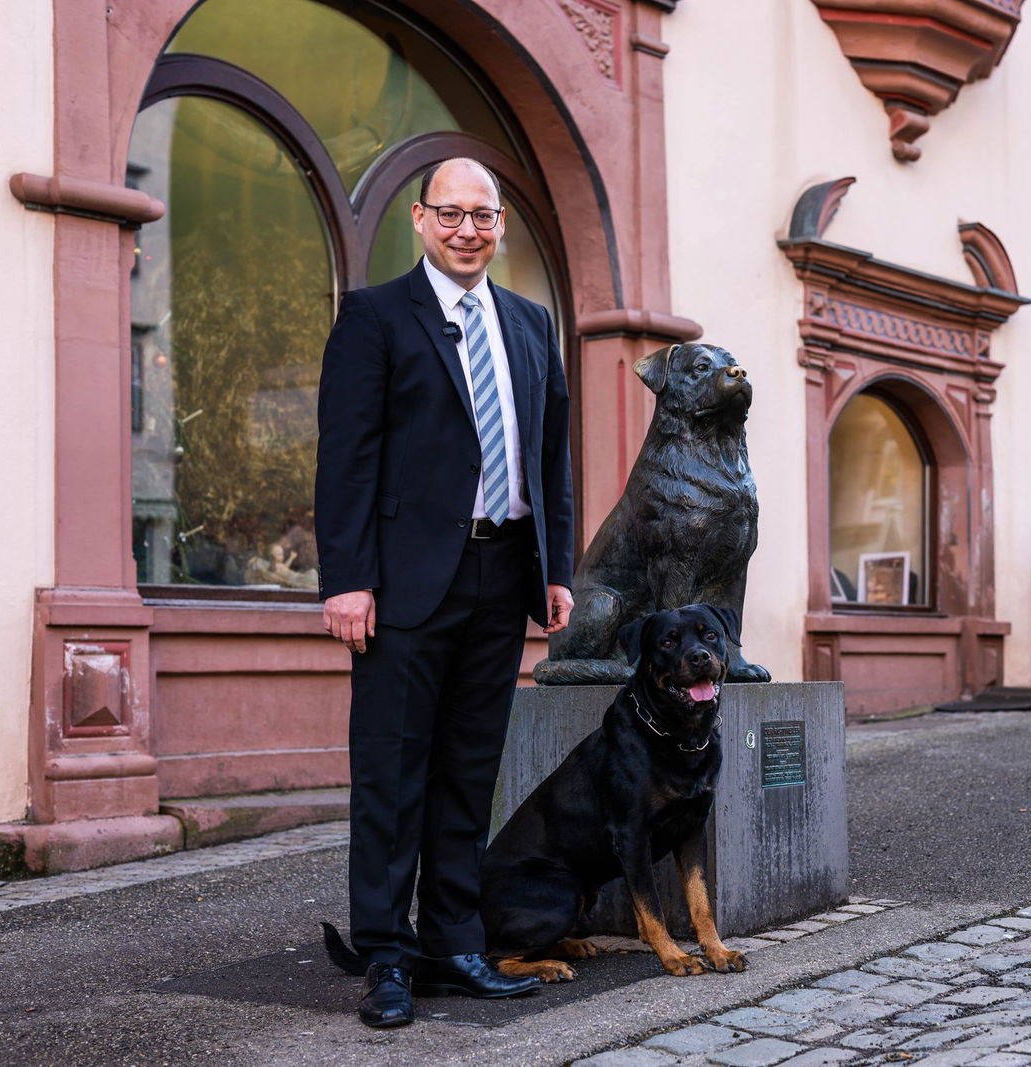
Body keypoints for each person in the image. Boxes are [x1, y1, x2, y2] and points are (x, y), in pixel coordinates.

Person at [314, 157, 575, 1028]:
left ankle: (453, 943)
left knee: (468, 770)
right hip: (402, 582)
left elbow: (550, 459)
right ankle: (387, 954)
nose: (469, 229)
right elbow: (346, 460)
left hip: (502, 575)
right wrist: (347, 580)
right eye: (451, 214)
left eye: (484, 215)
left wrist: (556, 567)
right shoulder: (377, 317)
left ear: (500, 225)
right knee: (392, 772)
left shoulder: (533, 325)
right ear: (421, 220)